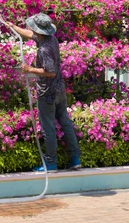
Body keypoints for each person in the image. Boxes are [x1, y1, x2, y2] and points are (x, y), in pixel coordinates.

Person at [7, 13, 81, 172]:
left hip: (48, 93)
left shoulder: (44, 49)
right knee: (65, 123)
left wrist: (30, 69)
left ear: (39, 31)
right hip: (60, 90)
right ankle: (75, 159)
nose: (31, 29)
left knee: (48, 128)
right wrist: (13, 27)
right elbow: (30, 34)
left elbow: (50, 72)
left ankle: (51, 163)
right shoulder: (50, 39)